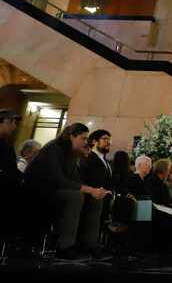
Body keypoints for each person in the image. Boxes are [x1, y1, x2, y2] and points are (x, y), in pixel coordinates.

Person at [23, 122, 111, 261]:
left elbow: (75, 180)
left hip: (55, 191)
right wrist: (88, 189)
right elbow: (57, 179)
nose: (85, 142)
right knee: (75, 196)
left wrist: (94, 191)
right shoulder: (54, 148)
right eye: (83, 138)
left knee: (95, 198)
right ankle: (65, 247)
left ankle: (90, 244)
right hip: (38, 192)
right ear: (71, 137)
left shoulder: (71, 153)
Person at [0, 109, 23, 206]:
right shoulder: (4, 146)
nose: (14, 127)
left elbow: (11, 169)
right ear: (4, 122)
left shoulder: (5, 144)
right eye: (13, 122)